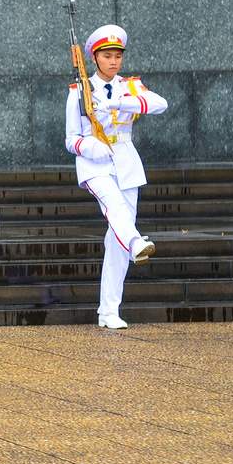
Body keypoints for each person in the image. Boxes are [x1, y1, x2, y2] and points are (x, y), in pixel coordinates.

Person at [65, 25, 167, 330]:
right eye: (107, 56)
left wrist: (119, 103)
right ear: (94, 58)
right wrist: (91, 146)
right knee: (117, 211)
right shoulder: (79, 92)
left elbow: (160, 104)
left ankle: (109, 311)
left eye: (117, 56)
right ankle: (137, 240)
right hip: (95, 164)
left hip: (125, 162)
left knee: (115, 241)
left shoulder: (130, 86)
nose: (114, 61)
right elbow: (71, 139)